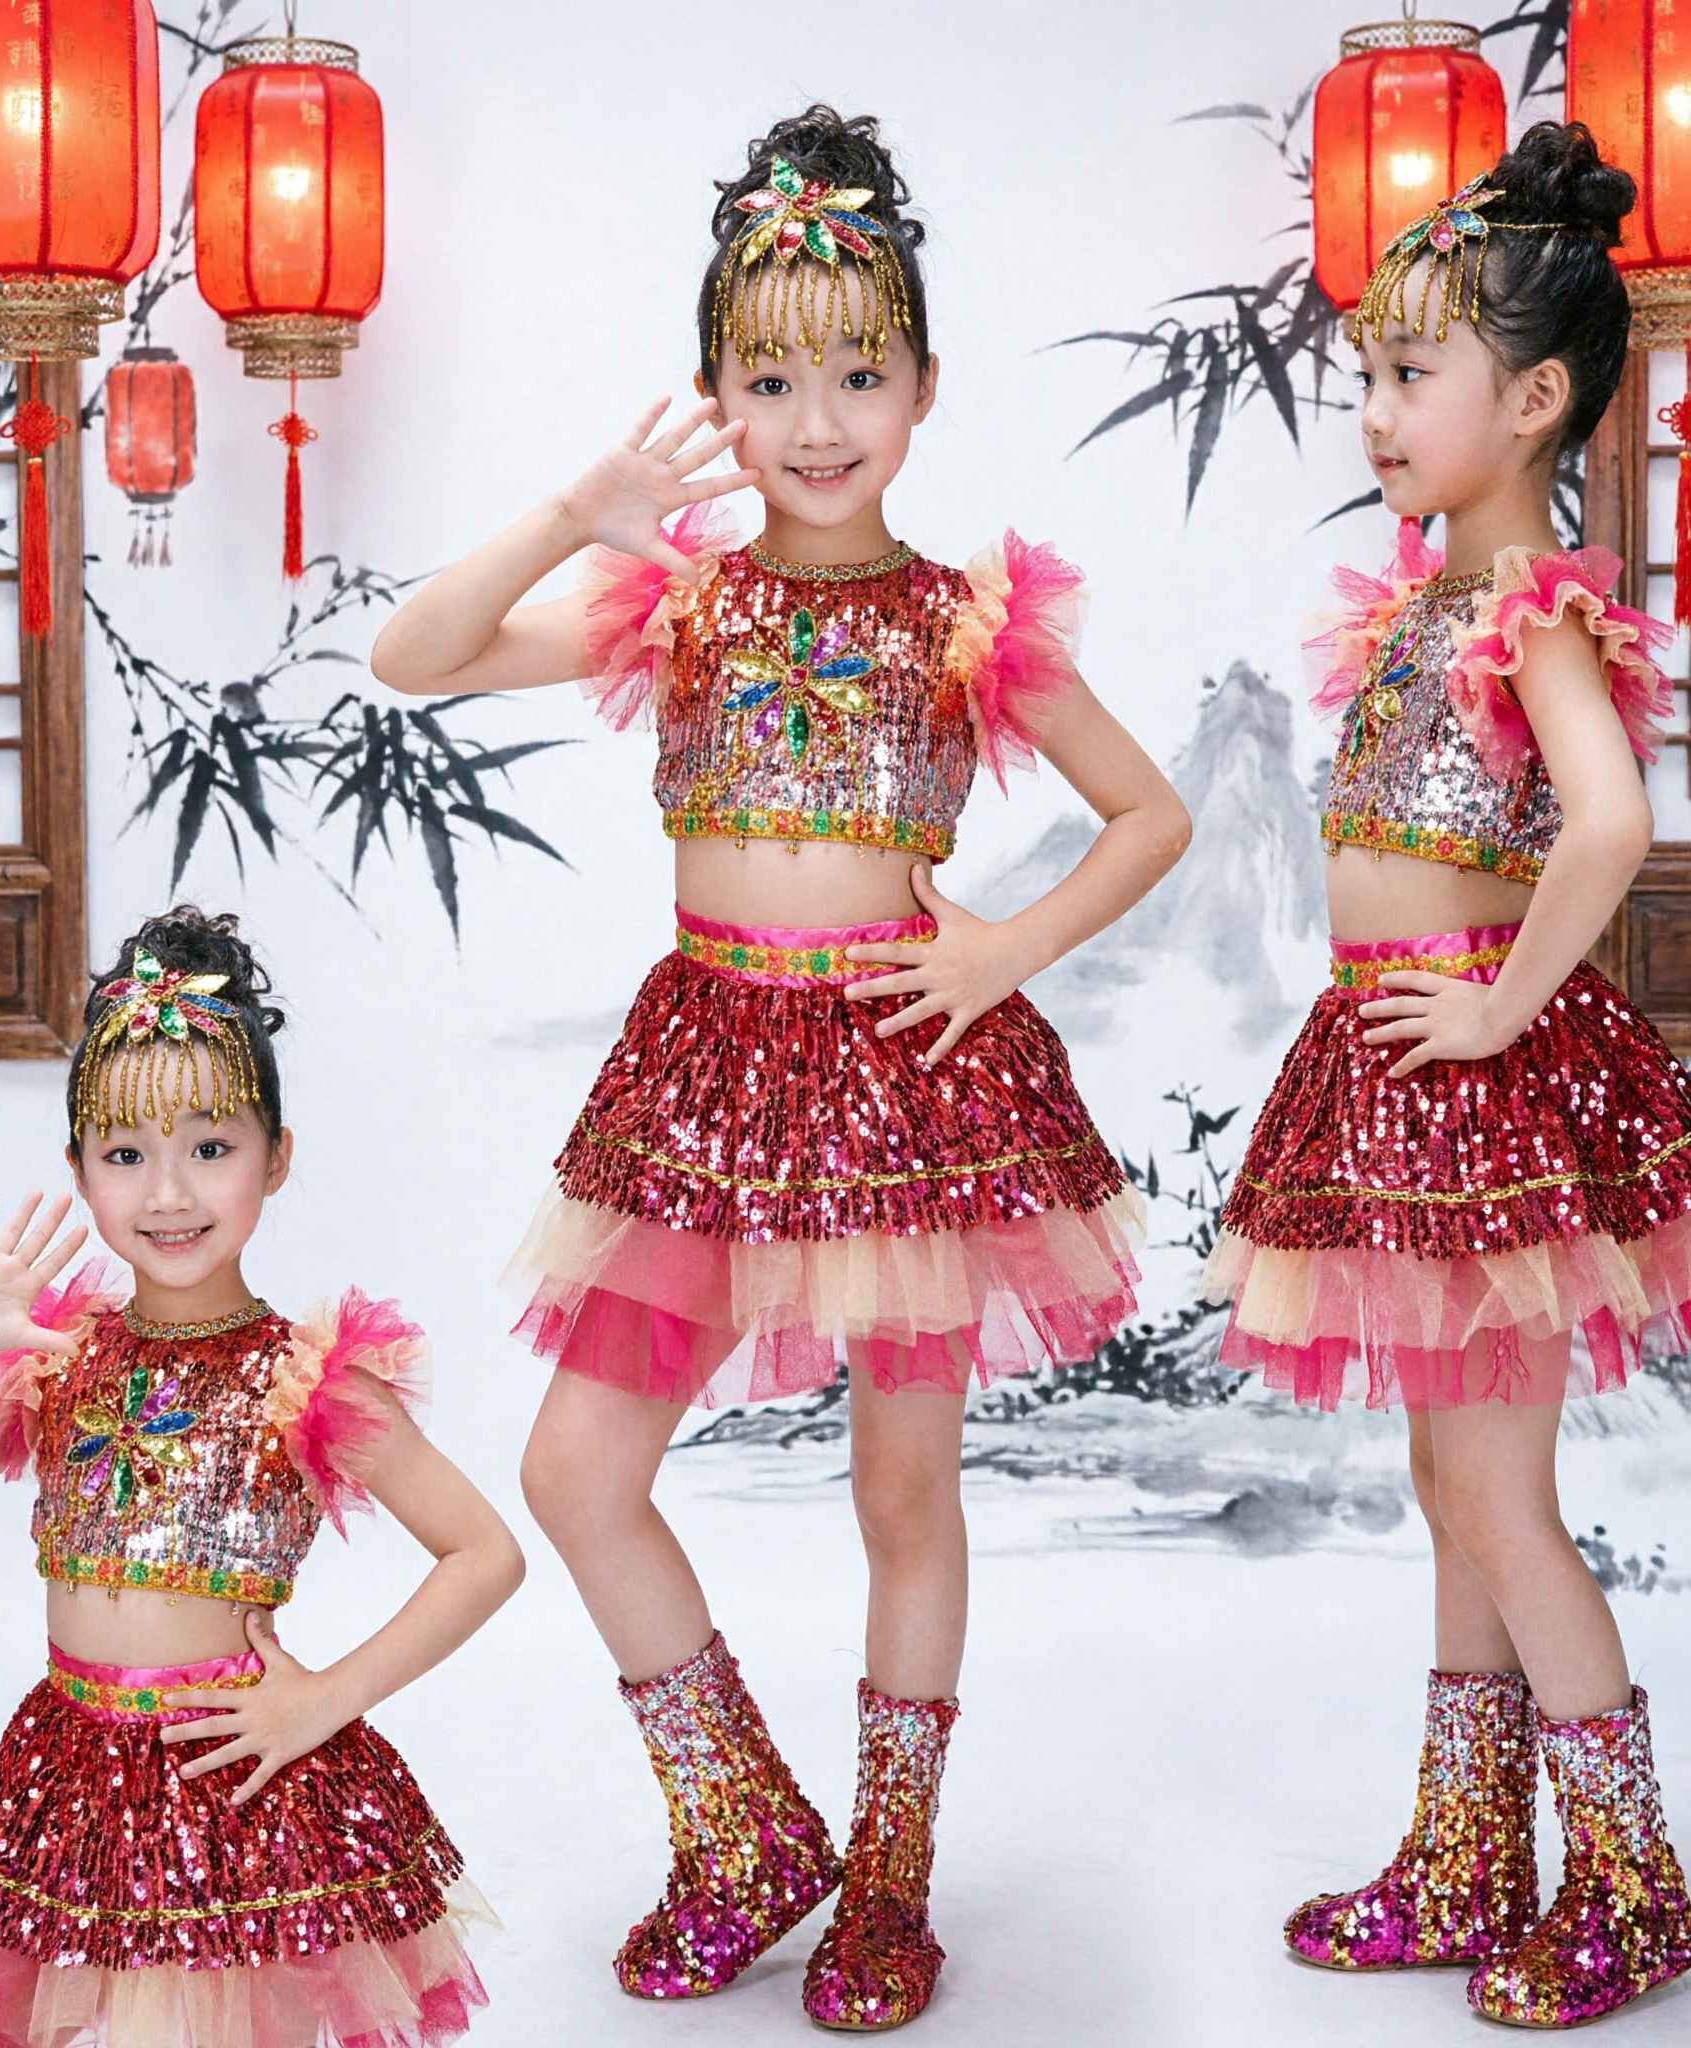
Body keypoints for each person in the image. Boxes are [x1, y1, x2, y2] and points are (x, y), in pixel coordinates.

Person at [372, 103, 1189, 2033]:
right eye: (767, 377)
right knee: (578, 1464)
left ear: (921, 385)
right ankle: (742, 1827)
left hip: (906, 1079)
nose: (814, 418)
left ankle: (889, 1876)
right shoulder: (678, 605)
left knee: (902, 1491)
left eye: (856, 372)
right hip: (711, 1069)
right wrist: (576, 512)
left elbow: (1146, 818)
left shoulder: (963, 624)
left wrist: (993, 946)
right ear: (713, 398)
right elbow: (414, 654)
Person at [1202, 125, 1691, 2028]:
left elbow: (1603, 825)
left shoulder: (1528, 596)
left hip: (1475, 1075)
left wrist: (1490, 1006)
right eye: (1363, 373)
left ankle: (1630, 1882)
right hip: (1397, 1066)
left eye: (1408, 373)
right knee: (1445, 1476)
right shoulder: (1429, 605)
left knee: (1498, 1490)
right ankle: (1467, 1852)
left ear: (1532, 399)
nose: (1371, 409)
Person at [0, 907, 525, 2048]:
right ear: (79, 1169)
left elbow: (485, 1551)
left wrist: (325, 1696)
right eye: (125, 1155)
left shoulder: (309, 1378)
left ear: (276, 1156)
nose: (168, 1193)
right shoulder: (55, 1358)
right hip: (60, 1777)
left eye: (210, 1147)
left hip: (231, 1779)